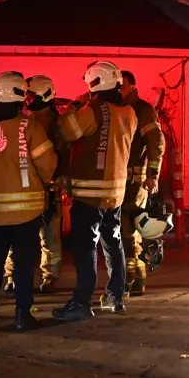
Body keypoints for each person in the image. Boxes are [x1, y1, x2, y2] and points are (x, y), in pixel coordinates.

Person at [0, 71, 57, 331]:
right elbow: (48, 164)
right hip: (27, 212)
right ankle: (21, 316)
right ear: (19, 97)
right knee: (24, 265)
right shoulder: (30, 126)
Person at [51, 61, 136, 322]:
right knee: (113, 242)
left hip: (89, 193)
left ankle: (81, 302)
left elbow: (66, 131)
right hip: (115, 192)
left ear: (93, 83)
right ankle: (116, 296)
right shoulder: (129, 111)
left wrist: (75, 107)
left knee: (85, 248)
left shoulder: (94, 109)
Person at [4, 75, 63, 294]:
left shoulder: (56, 124)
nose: (27, 100)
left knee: (50, 238)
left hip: (47, 187)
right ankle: (12, 276)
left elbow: (60, 156)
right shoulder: (26, 120)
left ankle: (50, 277)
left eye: (31, 96)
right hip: (27, 187)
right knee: (17, 237)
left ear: (44, 95)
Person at [119, 70, 165, 297]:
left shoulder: (143, 111)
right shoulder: (121, 110)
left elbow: (156, 143)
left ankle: (128, 279)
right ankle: (138, 280)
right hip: (124, 180)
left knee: (125, 231)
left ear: (133, 86)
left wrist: (153, 175)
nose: (119, 90)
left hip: (136, 182)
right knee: (131, 232)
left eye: (123, 86)